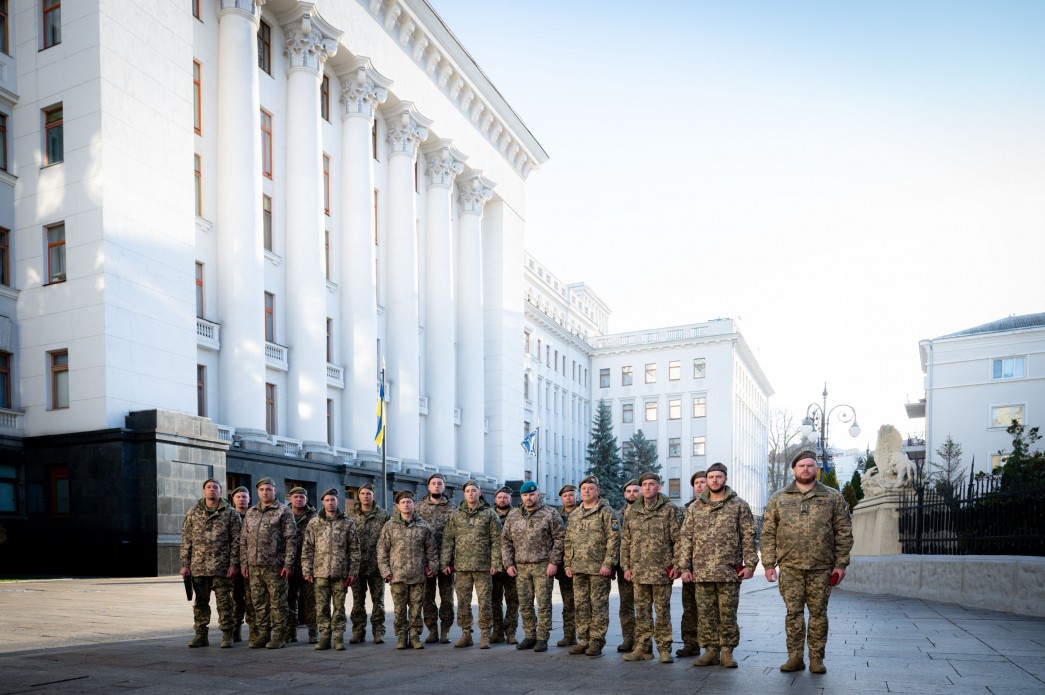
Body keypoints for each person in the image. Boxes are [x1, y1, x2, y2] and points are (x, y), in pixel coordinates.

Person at [761, 449, 855, 674]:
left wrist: (840, 565)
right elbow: (767, 532)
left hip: (821, 568)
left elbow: (844, 531)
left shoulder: (832, 497)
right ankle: (795, 657)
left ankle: (816, 658)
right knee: (793, 613)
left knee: (819, 614)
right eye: (801, 465)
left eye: (810, 465)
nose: (806, 469)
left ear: (817, 469)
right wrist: (768, 564)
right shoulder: (779, 498)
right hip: (790, 567)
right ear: (794, 469)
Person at [677, 463, 757, 668]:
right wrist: (685, 568)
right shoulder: (695, 508)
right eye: (711, 477)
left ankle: (728, 652)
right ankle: (711, 651)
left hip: (729, 571)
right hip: (701, 572)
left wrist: (750, 564)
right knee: (705, 615)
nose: (714, 480)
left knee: (728, 614)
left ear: (725, 479)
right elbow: (686, 538)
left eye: (718, 477)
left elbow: (748, 536)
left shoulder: (739, 505)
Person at [620, 472, 680, 664]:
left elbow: (678, 540)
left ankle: (664, 649)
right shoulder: (632, 511)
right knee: (642, 611)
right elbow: (625, 541)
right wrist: (626, 566)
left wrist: (677, 565)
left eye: (651, 484)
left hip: (662, 571)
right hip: (638, 571)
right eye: (644, 484)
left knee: (662, 611)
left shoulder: (669, 509)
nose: (647, 487)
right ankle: (643, 648)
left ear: (658, 487)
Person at [501, 480, 565, 653]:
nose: (528, 498)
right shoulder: (513, 515)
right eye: (525, 495)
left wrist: (554, 562)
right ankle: (530, 635)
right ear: (521, 496)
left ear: (538, 494)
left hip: (543, 565)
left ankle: (542, 637)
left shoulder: (549, 513)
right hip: (521, 566)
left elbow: (560, 538)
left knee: (544, 603)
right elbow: (505, 541)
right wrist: (508, 563)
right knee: (525, 603)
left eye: (531, 494)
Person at [179, 478, 241, 648]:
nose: (212, 490)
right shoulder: (193, 512)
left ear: (221, 491)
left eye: (215, 487)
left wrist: (234, 564)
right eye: (209, 487)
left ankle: (227, 634)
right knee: (200, 603)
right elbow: (186, 539)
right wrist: (185, 564)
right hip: (199, 567)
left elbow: (237, 541)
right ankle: (200, 635)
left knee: (225, 602)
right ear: (204, 491)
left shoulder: (231, 513)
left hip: (222, 568)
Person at [440, 480, 502, 649]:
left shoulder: (489, 514)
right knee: (463, 602)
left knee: (485, 602)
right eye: (467, 491)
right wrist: (445, 563)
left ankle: (484, 634)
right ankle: (466, 633)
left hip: (483, 567)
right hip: (462, 567)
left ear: (479, 493)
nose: (471, 493)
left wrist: (496, 562)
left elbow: (497, 540)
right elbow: (448, 540)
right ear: (464, 494)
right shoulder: (456, 515)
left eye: (474, 490)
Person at [563, 475, 619, 656]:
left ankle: (596, 641)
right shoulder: (575, 514)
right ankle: (583, 640)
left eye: (590, 488)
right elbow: (569, 540)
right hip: (578, 568)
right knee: (581, 605)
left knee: (599, 606)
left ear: (598, 491)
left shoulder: (606, 511)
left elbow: (614, 539)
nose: (587, 491)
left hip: (598, 569)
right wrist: (568, 563)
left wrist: (608, 563)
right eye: (584, 489)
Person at [240, 477, 297, 649]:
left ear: (275, 491)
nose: (265, 492)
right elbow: (243, 540)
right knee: (259, 602)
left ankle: (279, 635)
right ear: (258, 492)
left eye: (269, 489)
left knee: (278, 602)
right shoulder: (251, 512)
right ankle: (263, 634)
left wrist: (288, 564)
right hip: (254, 566)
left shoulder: (284, 511)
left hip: (275, 566)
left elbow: (291, 539)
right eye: (262, 489)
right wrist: (244, 563)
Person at [378, 489, 438, 650]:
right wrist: (385, 571)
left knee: (417, 608)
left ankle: (414, 636)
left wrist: (433, 567)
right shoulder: (390, 526)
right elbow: (382, 550)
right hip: (397, 576)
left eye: (409, 502)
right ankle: (401, 636)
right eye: (403, 502)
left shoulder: (423, 526)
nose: (406, 505)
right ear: (398, 506)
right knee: (399, 609)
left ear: (414, 505)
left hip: (418, 575)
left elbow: (431, 550)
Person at [301, 488, 360, 651]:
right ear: (322, 502)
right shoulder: (314, 523)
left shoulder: (347, 522)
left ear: (337, 501)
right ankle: (325, 637)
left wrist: (353, 572)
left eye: (333, 500)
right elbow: (307, 548)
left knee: (339, 607)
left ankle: (338, 637)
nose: (330, 502)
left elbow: (354, 549)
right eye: (327, 500)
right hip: (320, 573)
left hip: (340, 573)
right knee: (322, 607)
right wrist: (307, 570)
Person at [349, 482, 390, 644]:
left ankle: (378, 631)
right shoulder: (351, 516)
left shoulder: (383, 515)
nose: (366, 496)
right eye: (363, 493)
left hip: (376, 566)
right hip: (357, 566)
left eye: (369, 493)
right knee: (357, 601)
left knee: (378, 601)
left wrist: (387, 566)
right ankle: (358, 631)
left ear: (374, 496)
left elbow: (388, 541)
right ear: (359, 496)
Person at [416, 473, 454, 643]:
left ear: (444, 487)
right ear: (429, 487)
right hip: (427, 562)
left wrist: (452, 562)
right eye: (434, 483)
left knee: (447, 598)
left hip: (446, 561)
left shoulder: (453, 508)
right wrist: (423, 563)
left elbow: (457, 537)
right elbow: (416, 538)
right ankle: (432, 630)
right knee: (427, 597)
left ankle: (445, 630)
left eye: (440, 483)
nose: (437, 486)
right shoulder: (419, 508)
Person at [677, 470, 706, 657]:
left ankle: (715, 647)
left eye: (703, 482)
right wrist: (681, 566)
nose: (700, 485)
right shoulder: (685, 509)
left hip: (712, 567)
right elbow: (680, 539)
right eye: (697, 483)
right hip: (690, 567)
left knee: (711, 609)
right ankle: (691, 643)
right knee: (689, 607)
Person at [286, 487, 318, 644]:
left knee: (312, 599)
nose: (298, 499)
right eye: (295, 497)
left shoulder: (315, 516)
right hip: (289, 564)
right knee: (289, 598)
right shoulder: (283, 514)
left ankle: (313, 632)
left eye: (301, 497)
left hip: (309, 565)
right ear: (290, 499)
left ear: (306, 499)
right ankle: (290, 631)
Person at [491, 486, 519, 644]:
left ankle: (511, 631)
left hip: (512, 565)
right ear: (495, 499)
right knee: (494, 601)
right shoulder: (488, 514)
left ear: (510, 499)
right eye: (500, 497)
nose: (503, 500)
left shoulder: (517, 515)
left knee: (513, 600)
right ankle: (497, 631)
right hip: (494, 565)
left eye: (506, 497)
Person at [615, 478, 640, 653]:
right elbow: (614, 541)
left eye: (635, 491)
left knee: (643, 607)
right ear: (624, 494)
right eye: (629, 491)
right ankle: (628, 639)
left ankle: (641, 641)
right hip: (624, 568)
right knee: (626, 606)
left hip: (644, 568)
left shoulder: (646, 512)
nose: (632, 494)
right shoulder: (617, 515)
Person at [554, 483, 579, 647]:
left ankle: (588, 636)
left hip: (583, 563)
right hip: (564, 564)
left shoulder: (584, 511)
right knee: (568, 602)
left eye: (571, 494)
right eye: (565, 495)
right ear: (561, 498)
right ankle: (569, 635)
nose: (569, 498)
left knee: (585, 603)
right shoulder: (556, 515)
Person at [230, 485, 254, 643]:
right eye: (238, 497)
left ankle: (253, 631)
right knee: (235, 599)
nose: (241, 499)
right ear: (233, 499)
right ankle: (235, 630)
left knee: (252, 599)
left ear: (249, 499)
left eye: (244, 497)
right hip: (234, 564)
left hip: (252, 564)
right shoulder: (228, 515)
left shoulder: (255, 515)